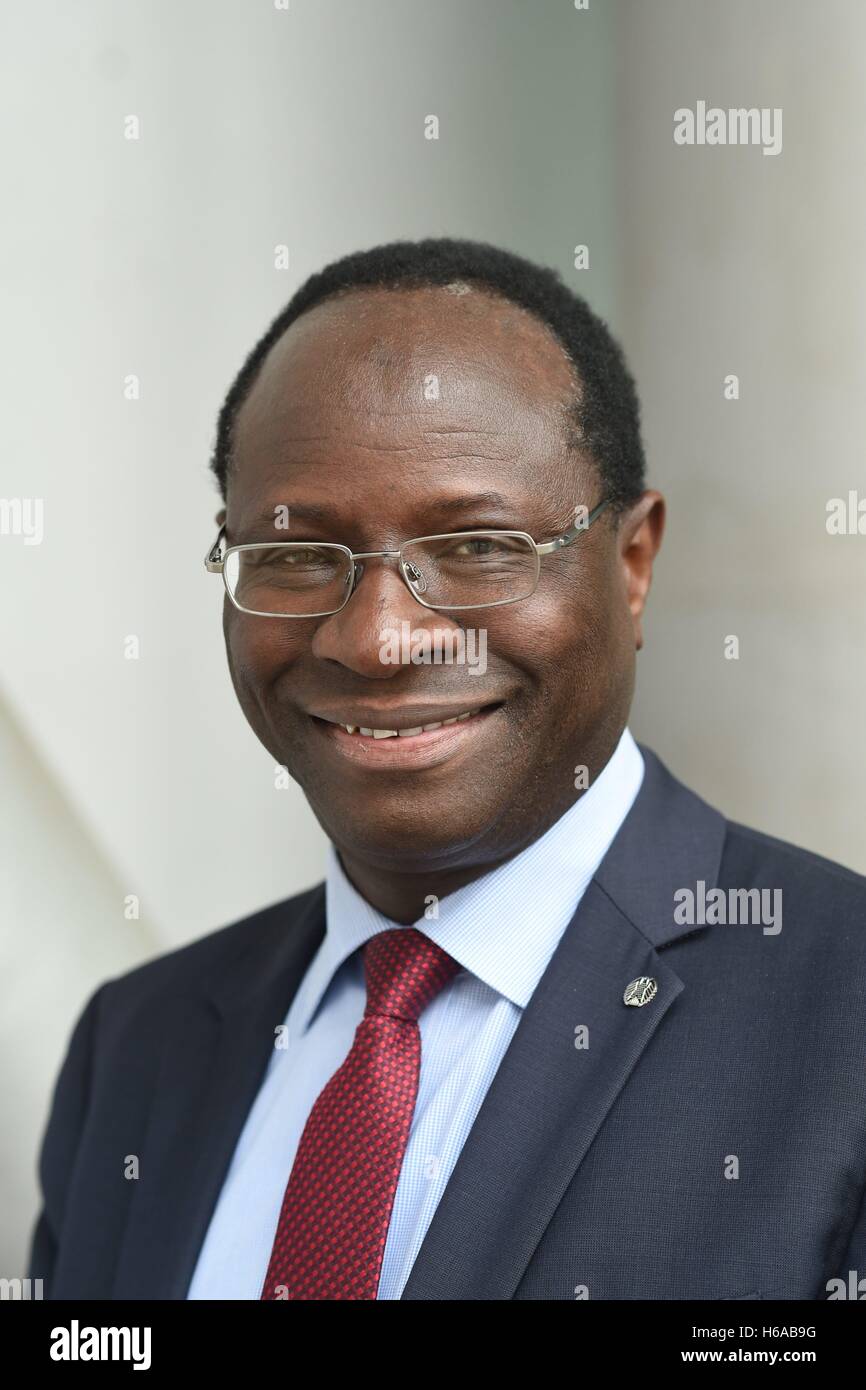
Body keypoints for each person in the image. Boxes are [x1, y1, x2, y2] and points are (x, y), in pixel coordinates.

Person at [29, 238, 866, 1300]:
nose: (378, 639)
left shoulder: (838, 1014)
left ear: (632, 562)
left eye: (475, 548)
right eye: (295, 556)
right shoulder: (137, 1048)